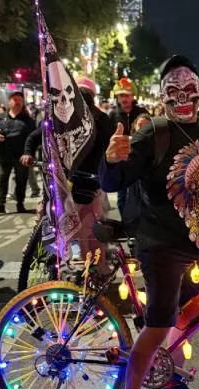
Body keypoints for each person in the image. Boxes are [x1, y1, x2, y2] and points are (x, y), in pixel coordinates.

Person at [101, 55, 199, 389]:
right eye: (175, 92)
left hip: (198, 247)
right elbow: (112, 179)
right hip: (161, 247)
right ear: (162, 96)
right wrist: (110, 159)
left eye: (191, 91)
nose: (184, 99)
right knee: (158, 325)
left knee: (186, 315)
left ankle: (169, 378)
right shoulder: (152, 132)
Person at [22, 76, 115, 267]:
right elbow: (34, 137)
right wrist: (28, 153)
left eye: (86, 94)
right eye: (79, 94)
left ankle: (97, 270)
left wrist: (110, 166)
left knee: (91, 233)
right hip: (62, 182)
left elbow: (111, 150)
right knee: (48, 219)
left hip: (91, 184)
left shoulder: (101, 119)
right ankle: (40, 250)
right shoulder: (60, 117)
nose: (83, 98)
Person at [109, 77, 149, 217]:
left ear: (132, 96)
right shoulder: (112, 115)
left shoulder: (142, 113)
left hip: (139, 161)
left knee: (141, 195)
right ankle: (126, 225)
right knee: (121, 196)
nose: (124, 99)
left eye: (126, 95)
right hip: (121, 163)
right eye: (121, 95)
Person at [0, 92, 37, 214]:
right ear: (9, 101)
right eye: (14, 99)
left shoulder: (28, 120)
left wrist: (30, 154)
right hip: (4, 154)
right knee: (2, 178)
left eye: (19, 100)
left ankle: (20, 204)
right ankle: (0, 204)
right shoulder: (1, 117)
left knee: (21, 180)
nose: (17, 102)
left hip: (21, 155)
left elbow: (34, 137)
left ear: (22, 103)